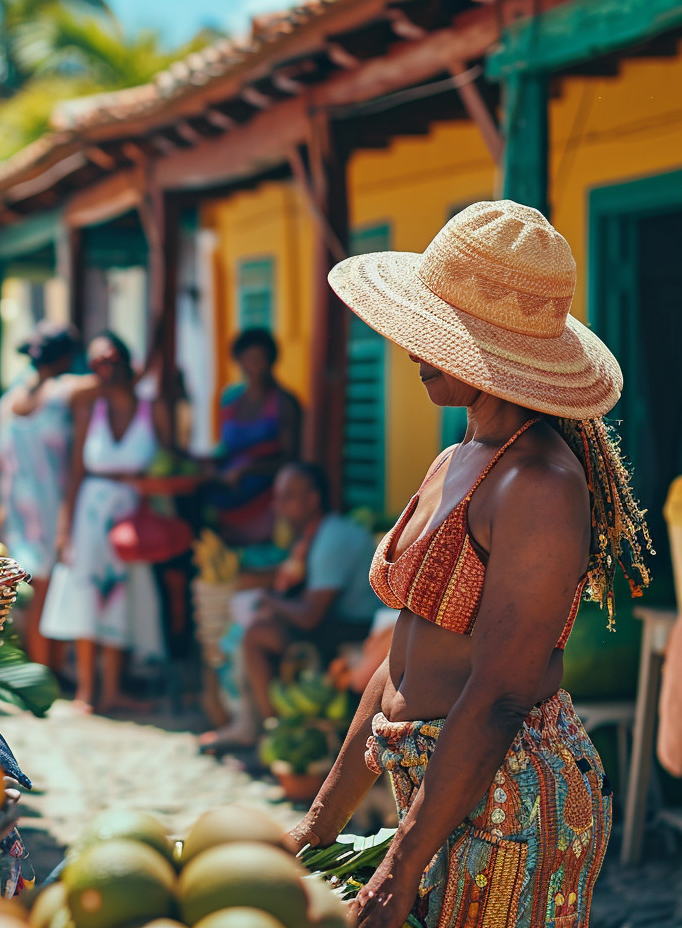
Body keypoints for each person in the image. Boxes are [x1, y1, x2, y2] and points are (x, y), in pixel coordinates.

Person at [281, 201, 652, 928]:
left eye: (437, 334)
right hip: (440, 791)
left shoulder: (539, 486)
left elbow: (498, 697)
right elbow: (400, 663)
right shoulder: (458, 458)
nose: (414, 349)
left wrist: (397, 872)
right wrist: (318, 824)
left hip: (509, 802)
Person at [200, 462, 380, 751]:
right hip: (336, 621)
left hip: (356, 629)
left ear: (313, 499)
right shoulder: (313, 535)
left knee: (258, 634)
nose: (278, 506)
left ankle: (273, 734)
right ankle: (256, 723)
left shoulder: (331, 539)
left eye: (287, 497)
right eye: (277, 497)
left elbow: (309, 616)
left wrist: (267, 597)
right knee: (261, 623)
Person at [40, 332, 171, 713]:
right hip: (91, 510)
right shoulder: (88, 410)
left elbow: (169, 461)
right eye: (97, 362)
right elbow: (75, 472)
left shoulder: (152, 409)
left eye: (112, 360)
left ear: (129, 362)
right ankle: (85, 690)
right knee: (85, 593)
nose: (106, 369)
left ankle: (112, 689)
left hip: (132, 510)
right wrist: (65, 531)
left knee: (121, 594)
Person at [0, 324, 90, 668]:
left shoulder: (8, 401)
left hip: (15, 507)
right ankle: (46, 671)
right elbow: (123, 380)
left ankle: (42, 669)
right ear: (67, 357)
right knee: (47, 592)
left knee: (32, 594)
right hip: (52, 507)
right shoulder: (69, 391)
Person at [208, 329, 303, 546]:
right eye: (249, 360)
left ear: (271, 361)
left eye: (260, 359)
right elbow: (225, 448)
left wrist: (246, 470)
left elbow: (291, 459)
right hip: (227, 490)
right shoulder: (229, 400)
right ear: (238, 362)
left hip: (267, 496)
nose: (255, 366)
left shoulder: (284, 403)